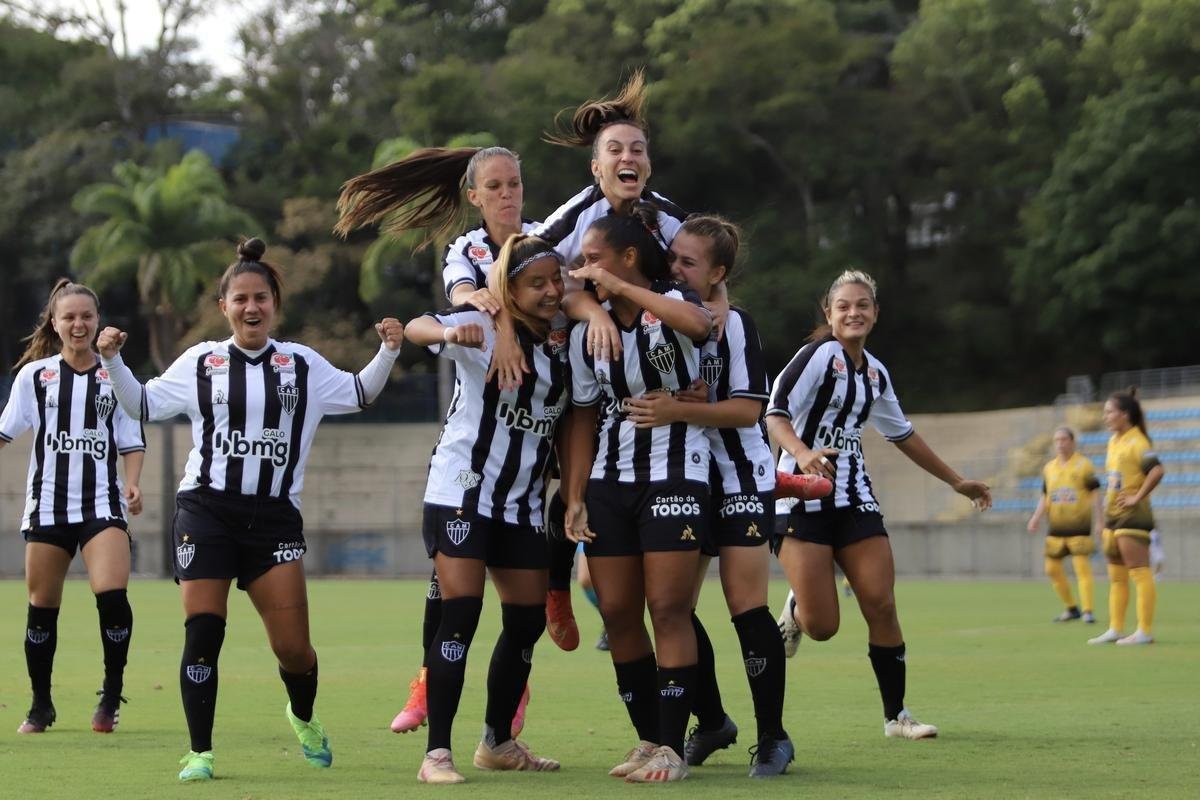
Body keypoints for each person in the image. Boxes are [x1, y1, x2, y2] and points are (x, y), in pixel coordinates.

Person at [95, 238, 403, 781]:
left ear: (275, 304)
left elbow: (360, 393)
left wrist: (389, 351)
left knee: (294, 651)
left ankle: (302, 715)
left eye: (260, 297)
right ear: (224, 307)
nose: (251, 307)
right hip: (206, 511)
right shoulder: (202, 362)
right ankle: (200, 752)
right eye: (240, 299)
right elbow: (141, 403)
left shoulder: (301, 364)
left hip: (274, 519)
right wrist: (112, 360)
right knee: (203, 632)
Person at [337, 146, 554, 732]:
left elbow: (563, 291)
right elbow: (462, 297)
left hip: (536, 435)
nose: (508, 194)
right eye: (495, 186)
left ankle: (548, 603)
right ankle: (429, 688)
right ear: (474, 196)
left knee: (536, 556)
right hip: (468, 460)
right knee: (452, 591)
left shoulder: (547, 239)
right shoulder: (468, 248)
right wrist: (487, 323)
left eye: (515, 183)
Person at [766, 270, 991, 741]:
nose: (854, 312)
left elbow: (902, 433)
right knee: (823, 626)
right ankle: (797, 608)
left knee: (882, 604)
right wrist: (803, 454)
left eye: (862, 305)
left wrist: (957, 482)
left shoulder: (875, 372)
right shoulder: (816, 357)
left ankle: (897, 716)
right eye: (844, 305)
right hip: (800, 501)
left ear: (875, 313)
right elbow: (775, 413)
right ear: (828, 313)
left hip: (855, 499)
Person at [618, 215, 795, 777]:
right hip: (686, 476)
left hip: (739, 477)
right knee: (673, 609)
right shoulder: (663, 318)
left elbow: (748, 410)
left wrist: (679, 408)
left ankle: (773, 738)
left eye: (688, 262)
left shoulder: (735, 325)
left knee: (747, 608)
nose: (674, 268)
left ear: (717, 273)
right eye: (672, 257)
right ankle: (714, 721)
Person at [402, 234, 570, 784]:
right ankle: (436, 755)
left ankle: (498, 741)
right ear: (510, 291)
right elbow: (416, 327)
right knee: (462, 616)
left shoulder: (567, 345)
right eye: (536, 284)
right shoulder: (481, 328)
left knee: (525, 622)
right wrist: (450, 331)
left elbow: (575, 424)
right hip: (462, 492)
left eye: (555, 280)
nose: (551, 291)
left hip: (521, 504)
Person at [561, 203, 714, 783]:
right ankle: (649, 739)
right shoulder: (588, 332)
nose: (583, 269)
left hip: (676, 474)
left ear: (628, 257)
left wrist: (621, 287)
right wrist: (575, 495)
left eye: (593, 259)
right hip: (609, 481)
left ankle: (673, 747)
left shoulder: (673, 303)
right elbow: (581, 416)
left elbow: (698, 326)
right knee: (620, 612)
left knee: (668, 609)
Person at [1, 280, 145, 735]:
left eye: (86, 316)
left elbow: (131, 440)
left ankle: (111, 694)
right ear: (55, 323)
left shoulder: (115, 374)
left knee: (113, 597)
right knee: (42, 608)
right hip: (48, 507)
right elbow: (5, 431)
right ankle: (41, 704)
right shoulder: (34, 377)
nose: (78, 324)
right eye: (69, 317)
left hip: (102, 505)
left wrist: (133, 483)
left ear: (97, 321)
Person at [1087, 389, 1164, 646]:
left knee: (1139, 572)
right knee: (1117, 577)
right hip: (1112, 518)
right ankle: (1116, 629)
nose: (1105, 416)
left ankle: (1144, 631)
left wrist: (1137, 497)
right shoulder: (1114, 441)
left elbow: (1157, 470)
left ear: (1125, 414)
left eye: (1109, 412)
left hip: (1132, 518)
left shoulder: (1138, 442)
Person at [1026, 427, 1101, 623]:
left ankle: (1088, 611)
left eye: (1064, 439)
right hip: (1056, 528)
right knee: (1051, 569)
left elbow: (1095, 494)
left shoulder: (1084, 465)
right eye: (1056, 440)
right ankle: (1071, 608)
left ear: (1072, 442)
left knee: (1081, 568)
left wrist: (1100, 521)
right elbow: (1046, 496)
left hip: (1079, 526)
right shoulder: (1049, 468)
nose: (1060, 444)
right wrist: (1036, 517)